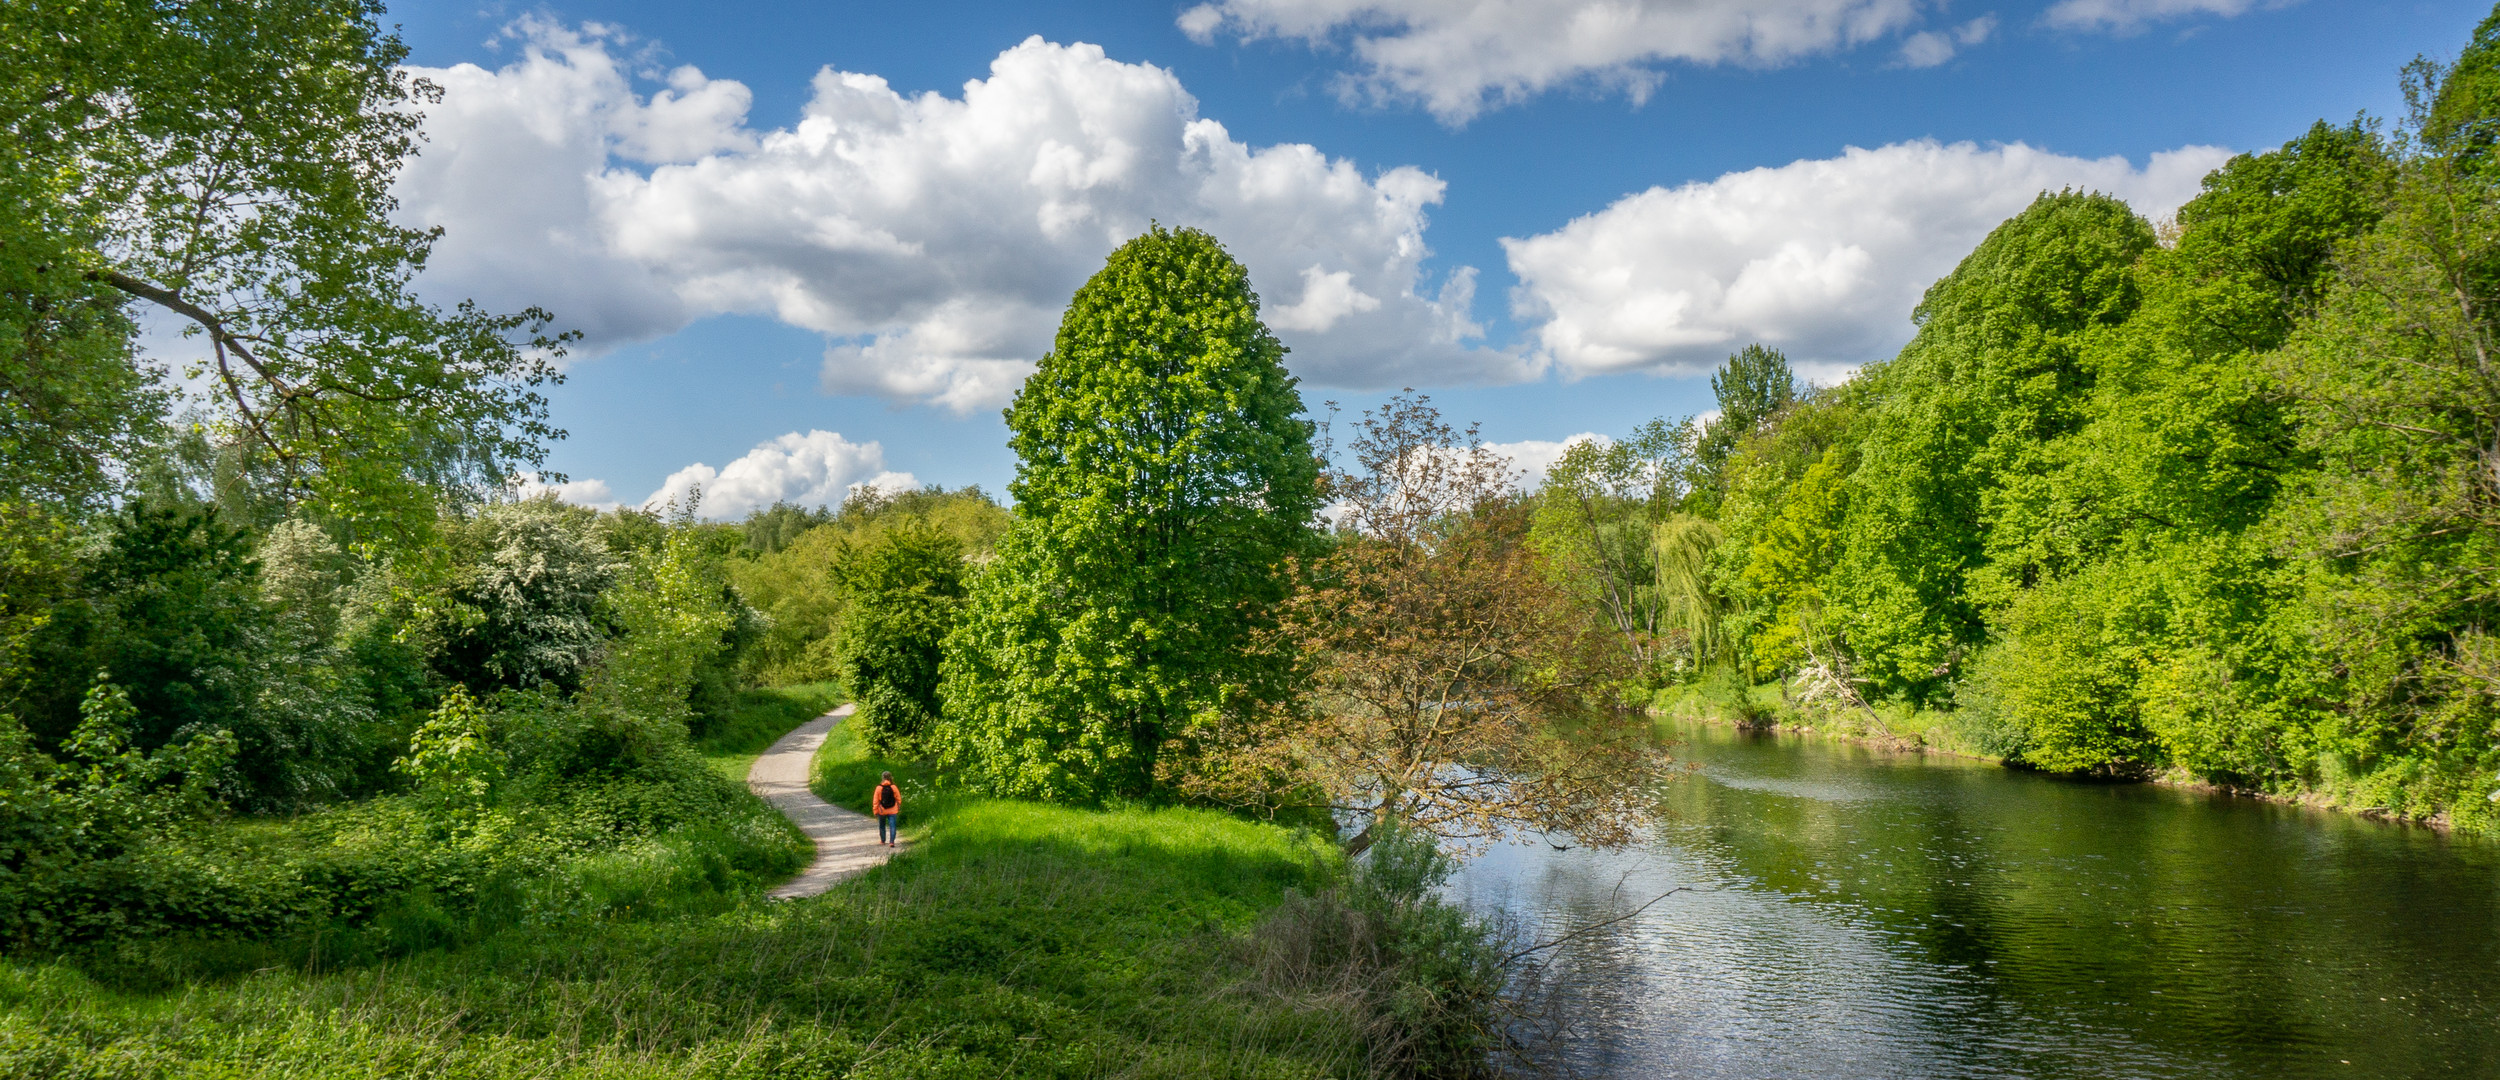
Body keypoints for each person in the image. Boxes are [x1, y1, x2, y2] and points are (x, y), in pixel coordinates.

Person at [872, 771, 901, 847]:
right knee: (893, 825)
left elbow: (875, 801)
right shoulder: (894, 787)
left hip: (882, 810)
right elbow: (898, 799)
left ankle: (883, 840)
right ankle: (892, 842)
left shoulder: (879, 788)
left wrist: (875, 811)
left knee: (882, 825)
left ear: (882, 778)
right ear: (891, 777)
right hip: (893, 809)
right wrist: (898, 806)